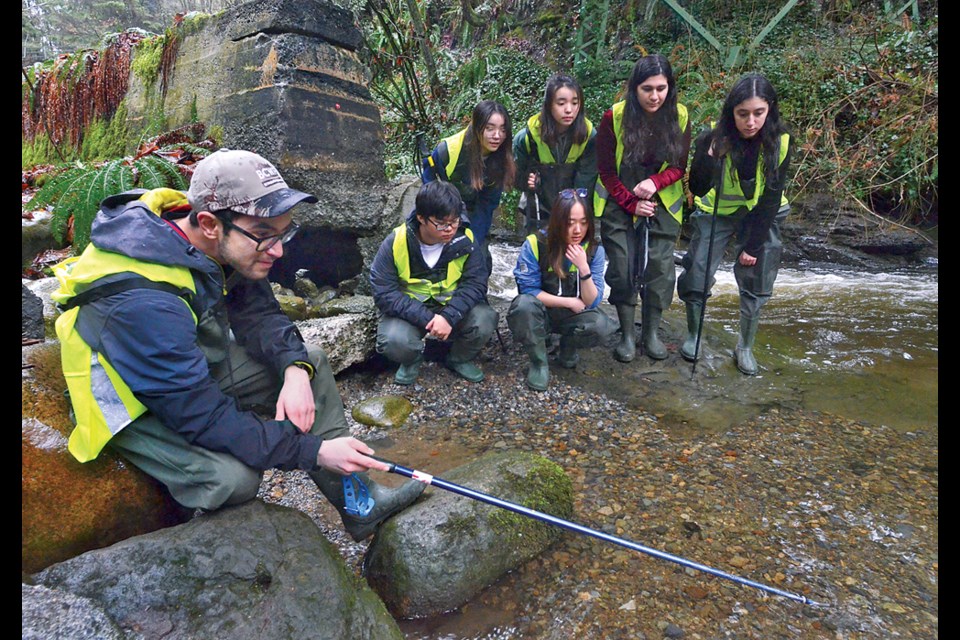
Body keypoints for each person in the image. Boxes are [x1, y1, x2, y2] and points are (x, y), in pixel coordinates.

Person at [52, 149, 423, 541]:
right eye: (264, 236)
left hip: (184, 366)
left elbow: (259, 314)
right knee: (236, 481)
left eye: (283, 233)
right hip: (129, 398)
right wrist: (312, 451)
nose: (278, 251)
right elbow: (200, 415)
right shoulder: (144, 299)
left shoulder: (217, 240)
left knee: (309, 360)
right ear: (210, 224)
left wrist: (294, 369)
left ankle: (359, 504)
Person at [676, 73, 792, 375]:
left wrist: (752, 246)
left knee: (758, 276)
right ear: (732, 112)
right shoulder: (711, 137)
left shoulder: (781, 141)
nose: (751, 122)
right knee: (697, 269)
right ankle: (694, 335)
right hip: (717, 212)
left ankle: (745, 346)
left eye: (758, 113)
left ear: (770, 110)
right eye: (743, 114)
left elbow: (771, 196)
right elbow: (698, 188)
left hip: (762, 216)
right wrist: (711, 156)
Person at [595, 54, 691, 362]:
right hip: (620, 198)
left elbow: (679, 166)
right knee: (622, 266)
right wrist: (631, 203)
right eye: (647, 89)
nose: (654, 96)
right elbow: (606, 171)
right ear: (634, 88)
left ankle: (650, 334)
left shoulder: (681, 116)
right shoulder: (615, 117)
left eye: (661, 89)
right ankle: (626, 334)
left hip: (663, 202)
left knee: (660, 268)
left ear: (669, 88)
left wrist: (656, 182)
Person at [370, 180, 498, 385]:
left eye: (454, 221)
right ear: (421, 217)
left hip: (451, 307)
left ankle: (458, 358)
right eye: (441, 223)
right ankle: (412, 360)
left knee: (485, 319)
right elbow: (384, 292)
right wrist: (428, 318)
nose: (449, 229)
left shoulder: (465, 238)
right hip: (411, 311)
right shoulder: (397, 241)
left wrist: (448, 316)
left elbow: (476, 283)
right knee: (393, 340)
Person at [507, 188, 616, 390]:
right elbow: (529, 290)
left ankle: (569, 345)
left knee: (601, 325)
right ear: (558, 221)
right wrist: (568, 302)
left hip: (573, 316)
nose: (577, 230)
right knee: (522, 307)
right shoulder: (535, 244)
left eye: (583, 222)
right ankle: (539, 362)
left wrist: (583, 268)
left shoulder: (594, 250)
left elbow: (592, 301)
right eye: (570, 223)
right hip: (542, 312)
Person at [422, 100, 517, 250]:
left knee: (479, 262)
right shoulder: (448, 151)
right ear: (477, 127)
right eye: (489, 128)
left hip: (472, 214)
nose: (497, 136)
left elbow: (487, 206)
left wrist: (472, 243)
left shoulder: (502, 159)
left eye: (503, 130)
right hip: (439, 212)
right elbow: (427, 191)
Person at [513, 74, 597, 233]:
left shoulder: (589, 137)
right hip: (538, 209)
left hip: (573, 211)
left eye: (574, 103)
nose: (569, 109)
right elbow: (515, 177)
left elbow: (586, 182)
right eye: (561, 103)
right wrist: (527, 181)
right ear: (548, 105)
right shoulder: (526, 138)